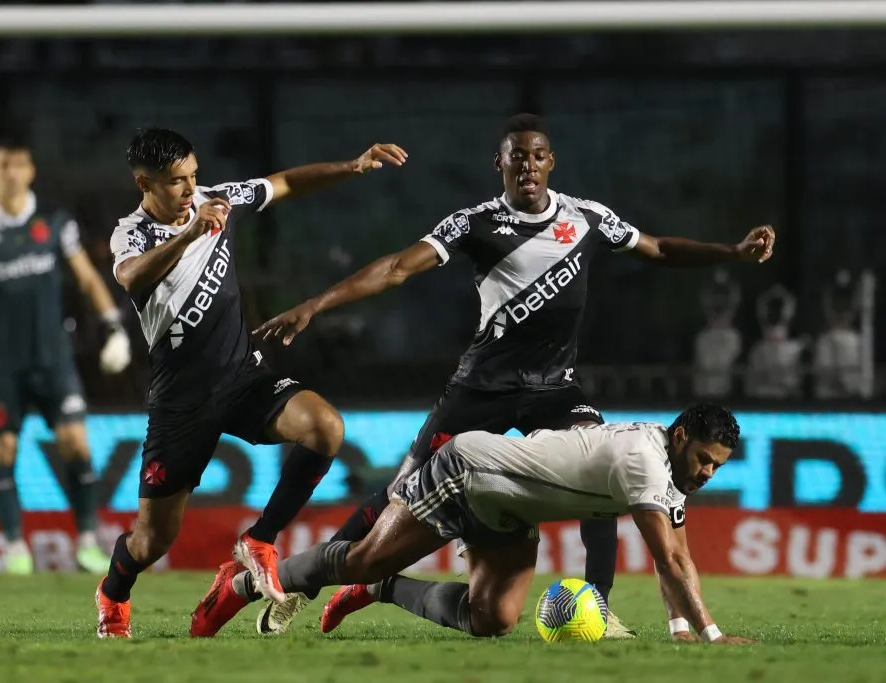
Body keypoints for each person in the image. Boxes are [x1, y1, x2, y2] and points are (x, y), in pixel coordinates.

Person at [250, 113, 776, 637]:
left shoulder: (587, 218)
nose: (528, 164)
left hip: (554, 389)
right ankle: (316, 585)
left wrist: (730, 251)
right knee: (398, 493)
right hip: (481, 387)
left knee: (601, 477)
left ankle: (597, 605)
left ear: (551, 163)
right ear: (499, 163)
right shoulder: (473, 223)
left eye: (537, 155)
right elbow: (395, 268)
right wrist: (316, 305)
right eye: (516, 155)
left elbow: (658, 248)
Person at [94, 128, 409, 638]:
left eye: (193, 176)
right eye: (176, 182)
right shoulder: (132, 233)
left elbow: (282, 183)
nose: (190, 189)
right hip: (182, 402)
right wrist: (192, 232)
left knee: (325, 427)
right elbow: (130, 277)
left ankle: (259, 539)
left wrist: (351, 166)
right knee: (152, 541)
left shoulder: (216, 201)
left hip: (242, 376)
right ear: (143, 183)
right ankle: (113, 592)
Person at [192, 402, 753, 645]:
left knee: (494, 619)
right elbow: (671, 559)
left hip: (512, 507)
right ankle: (239, 583)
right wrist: (714, 634)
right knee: (363, 556)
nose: (706, 473)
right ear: (681, 437)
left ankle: (385, 590)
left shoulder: (668, 466)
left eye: (715, 466)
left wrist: (683, 633)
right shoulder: (645, 460)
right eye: (704, 459)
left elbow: (676, 551)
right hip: (471, 470)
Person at [0, 138, 133, 575]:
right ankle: (14, 549)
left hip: (53, 360)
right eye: (3, 164)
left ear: (30, 171)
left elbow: (86, 277)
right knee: (1, 451)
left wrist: (114, 325)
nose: (11, 173)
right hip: (1, 365)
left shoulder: (54, 223)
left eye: (18, 164)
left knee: (75, 444)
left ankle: (85, 541)